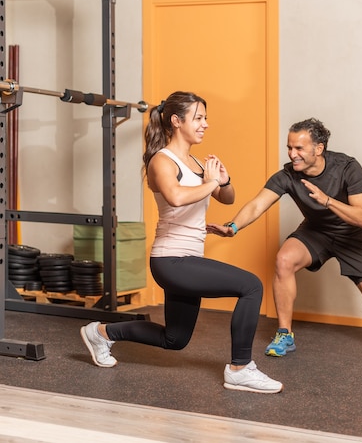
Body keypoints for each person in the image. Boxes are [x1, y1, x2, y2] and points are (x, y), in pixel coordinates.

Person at [80, 91, 282, 393]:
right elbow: (175, 197)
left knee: (174, 339)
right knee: (251, 286)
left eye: (205, 118)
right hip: (171, 261)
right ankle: (240, 368)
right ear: (176, 121)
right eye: (198, 118)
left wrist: (222, 181)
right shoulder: (162, 161)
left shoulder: (197, 162)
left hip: (185, 259)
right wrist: (210, 182)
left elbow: (227, 199)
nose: (205, 124)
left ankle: (100, 333)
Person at [207, 117, 362, 356]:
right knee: (283, 260)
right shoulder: (287, 176)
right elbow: (257, 204)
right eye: (289, 147)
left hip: (353, 237)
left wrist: (327, 200)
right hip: (316, 232)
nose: (292, 154)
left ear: (319, 149)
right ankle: (285, 334)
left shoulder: (348, 167)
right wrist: (233, 227)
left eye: (299, 148)